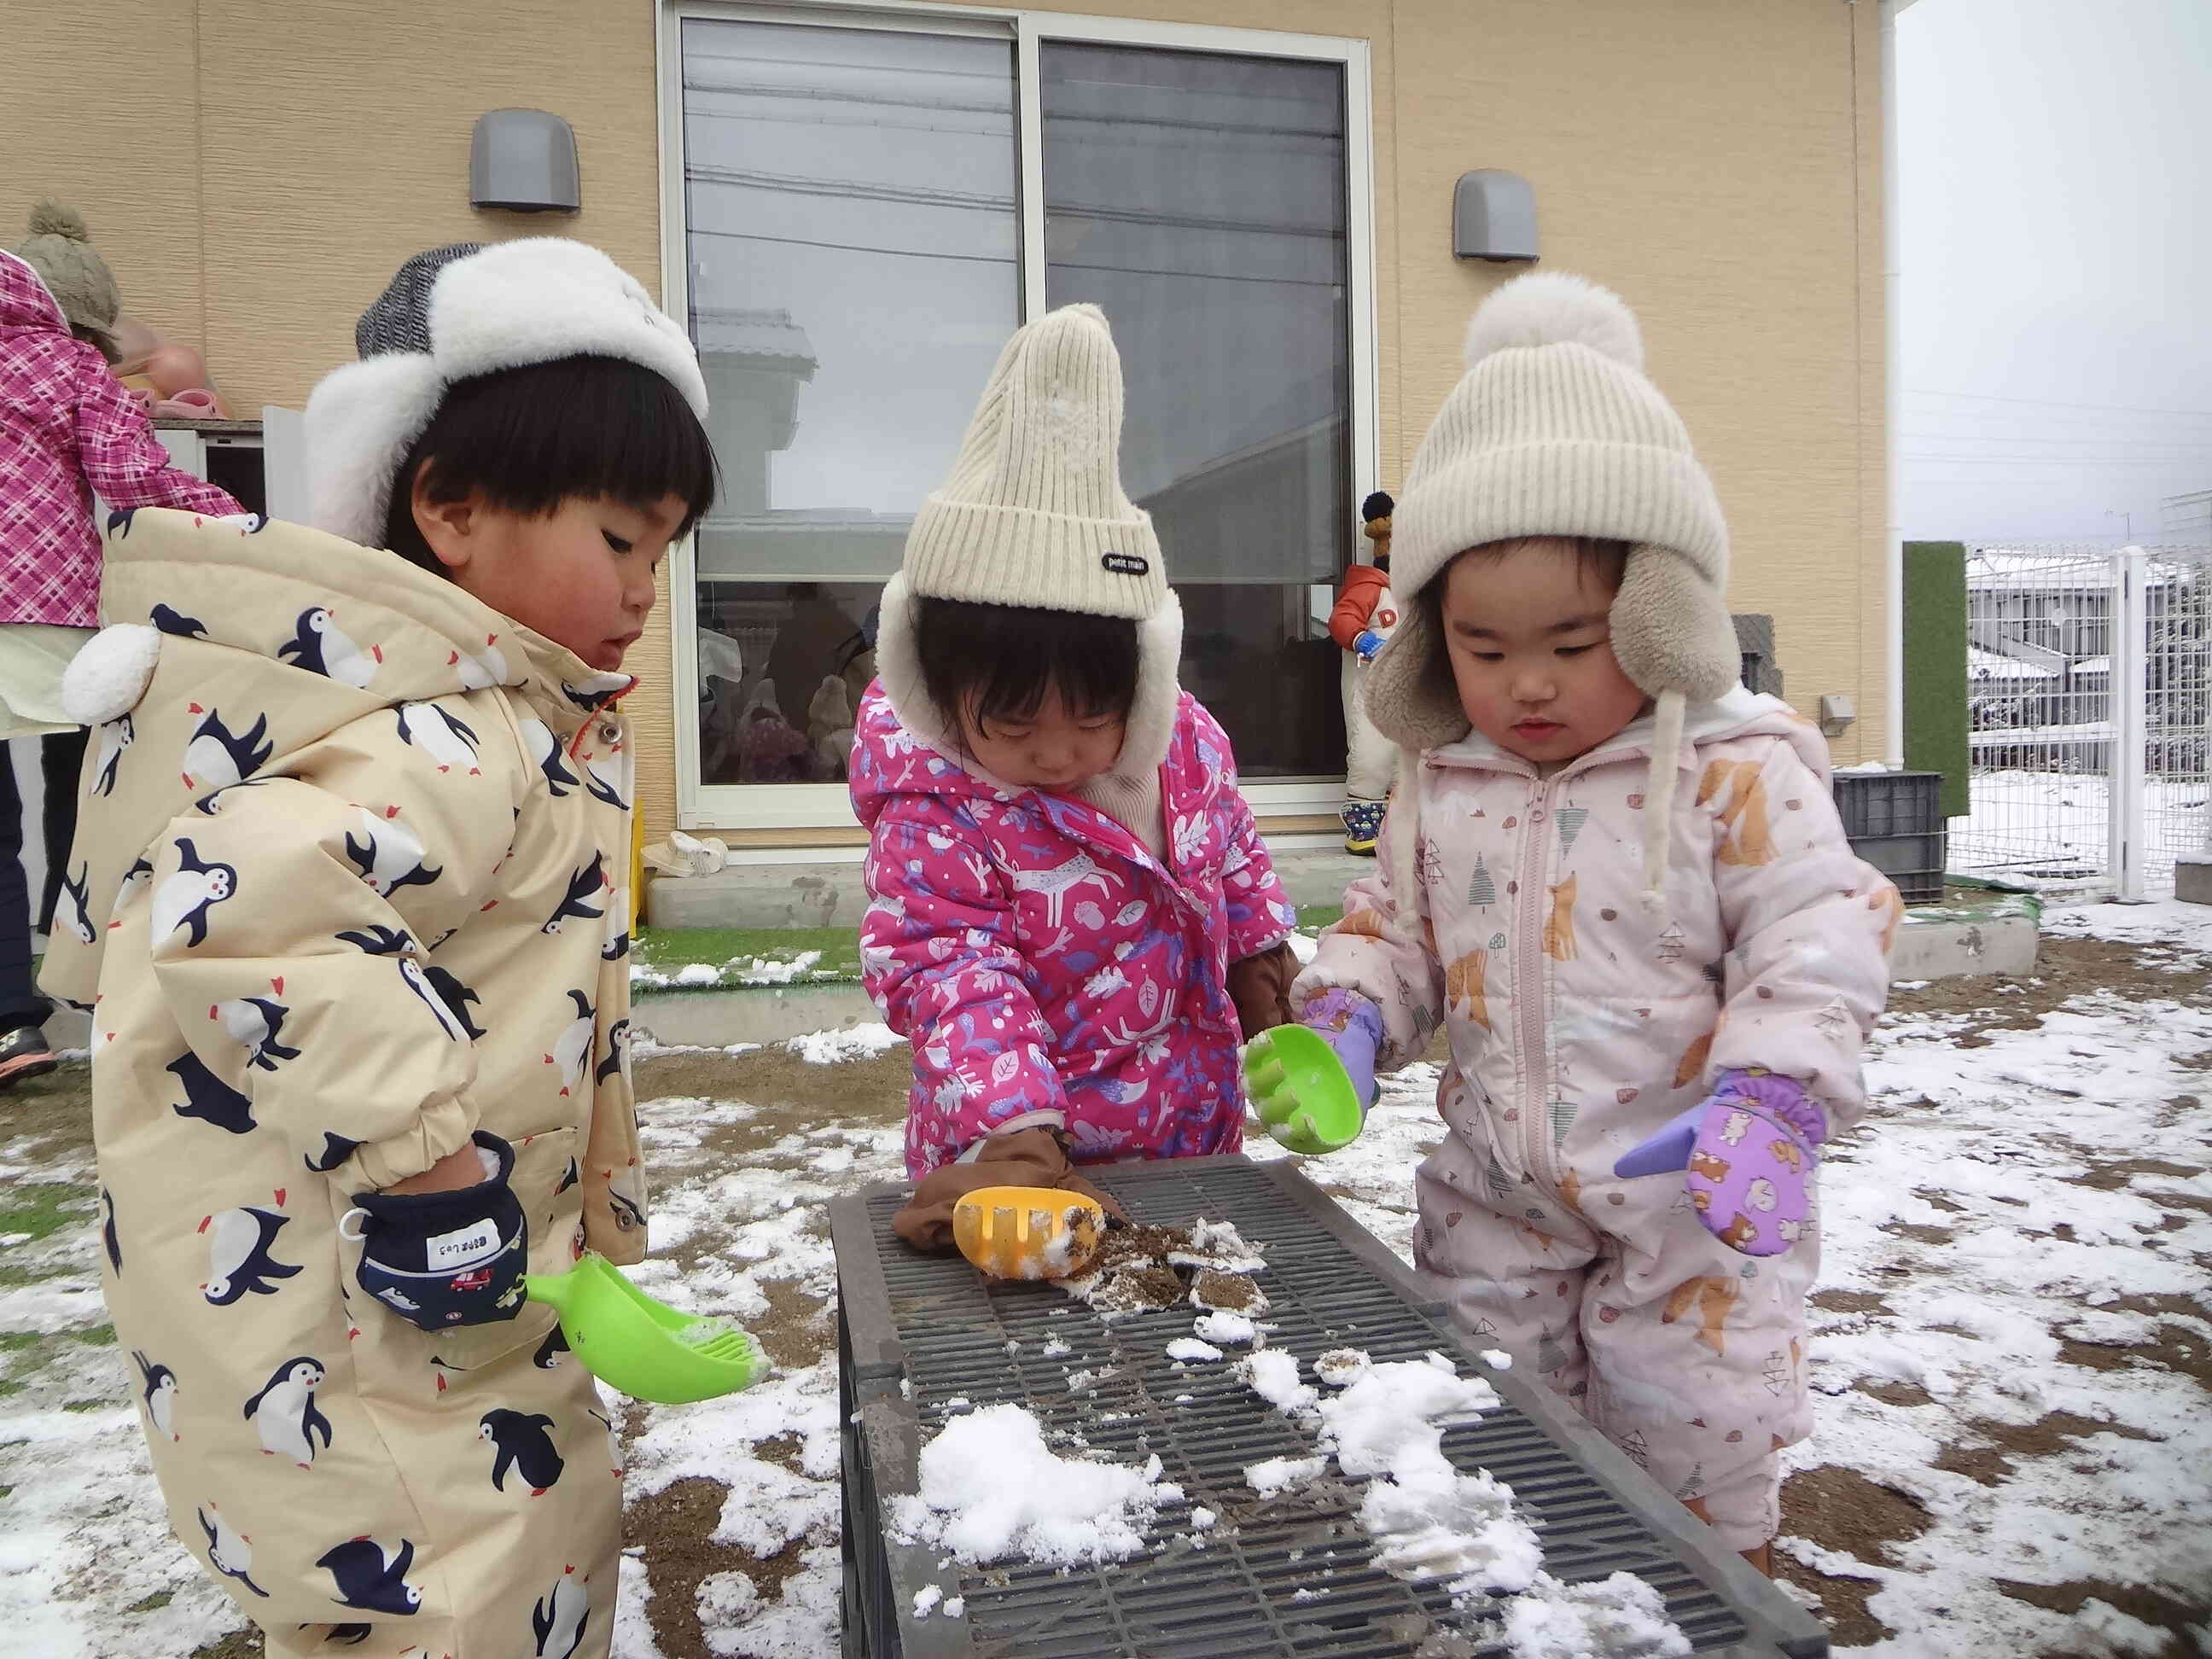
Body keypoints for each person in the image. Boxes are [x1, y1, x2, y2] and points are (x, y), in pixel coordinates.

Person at [39, 238, 715, 1656]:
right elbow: (247, 905)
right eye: (617, 536)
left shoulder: (482, 719)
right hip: (361, 1291)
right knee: (463, 1575)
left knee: (450, 1568)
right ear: (451, 510)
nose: (646, 585)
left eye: (663, 546)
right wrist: (436, 1164)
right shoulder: (441, 735)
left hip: (399, 1289)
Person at [1286, 272, 1898, 1575]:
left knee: (1691, 1451)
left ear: (1661, 613)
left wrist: (1779, 1094)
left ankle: (1707, 1601)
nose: (1529, 683)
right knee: (1498, 1438)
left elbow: (1819, 929)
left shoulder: (1734, 770)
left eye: (1572, 639)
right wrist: (1347, 1010)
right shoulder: (1441, 781)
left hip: (1698, 1198)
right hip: (1494, 1199)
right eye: (1483, 646)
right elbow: (1398, 924)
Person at [849, 304, 1300, 1232]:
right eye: (1013, 723)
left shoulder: (1188, 746)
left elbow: (1236, 858)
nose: (1055, 753)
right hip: (1032, 1170)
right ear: (935, 683)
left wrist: (1266, 975)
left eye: (1091, 717)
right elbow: (951, 968)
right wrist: (1012, 1135)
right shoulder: (938, 806)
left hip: (1191, 1141)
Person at [1, 201, 244, 1091]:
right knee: (84, 794)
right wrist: (238, 519)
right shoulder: (67, 366)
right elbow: (130, 478)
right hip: (49, 614)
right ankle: (96, 981)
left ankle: (7, 1024)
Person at [1330, 489, 1399, 854]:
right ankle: (1363, 833)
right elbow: (1341, 620)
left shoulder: (1415, 592)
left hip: (1408, 697)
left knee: (1409, 764)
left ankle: (1403, 832)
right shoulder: (1369, 587)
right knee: (1370, 757)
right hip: (1369, 692)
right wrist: (1361, 639)